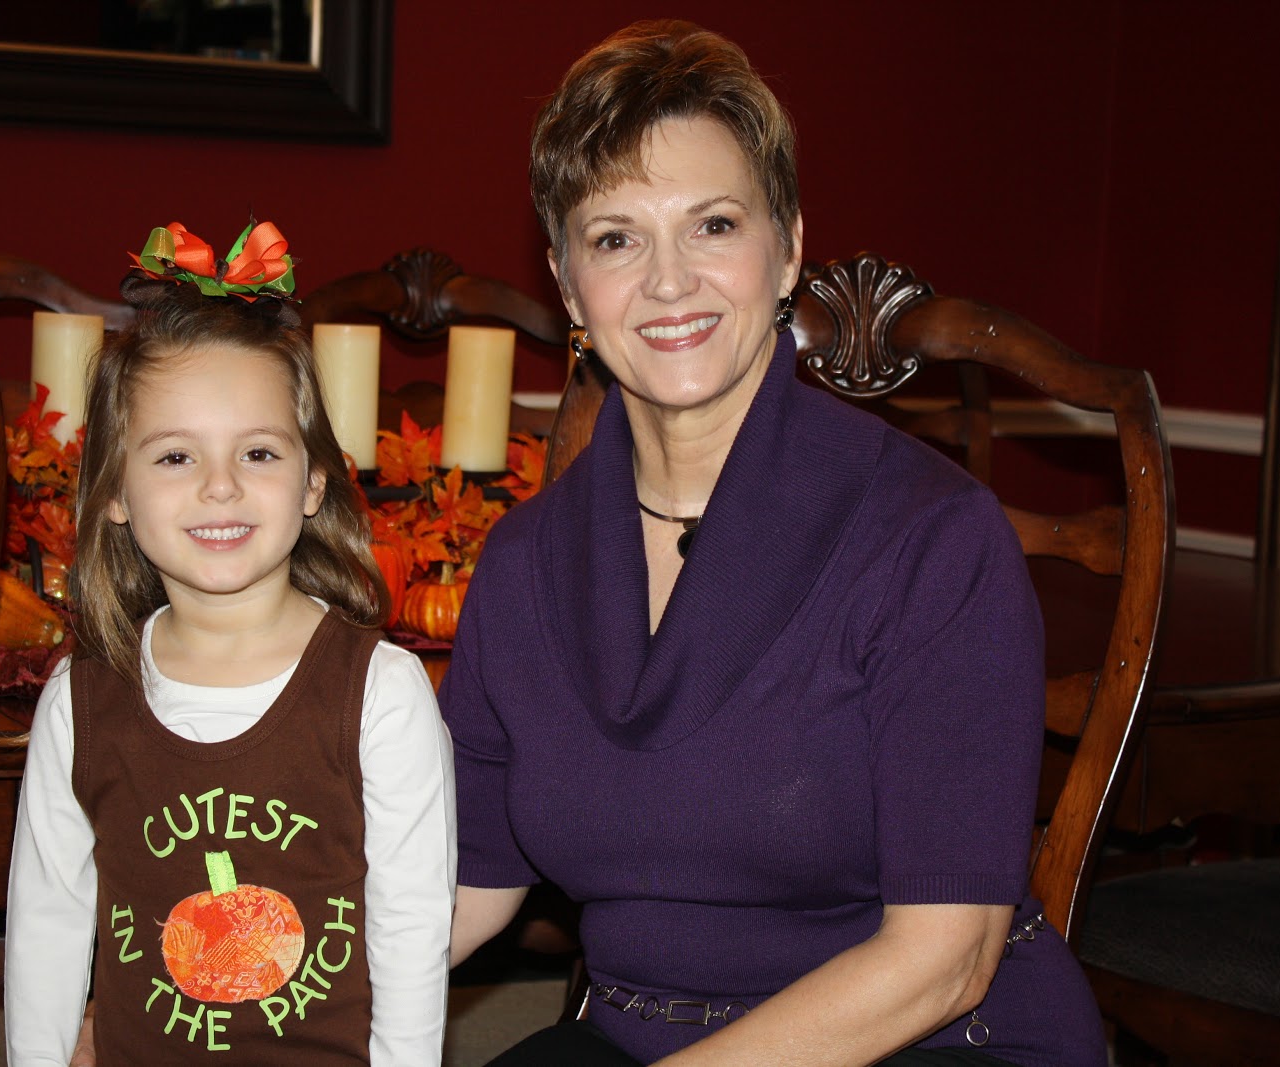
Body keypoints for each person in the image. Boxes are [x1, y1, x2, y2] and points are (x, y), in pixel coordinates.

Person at [442, 21, 1105, 1067]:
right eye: (615, 239)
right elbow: (466, 884)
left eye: (712, 224)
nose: (668, 281)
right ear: (569, 286)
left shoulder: (932, 537)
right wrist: (244, 997)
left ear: (788, 246)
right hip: (637, 1034)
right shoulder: (523, 563)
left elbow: (945, 956)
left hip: (927, 1039)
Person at [4, 229, 456, 1066]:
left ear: (313, 481)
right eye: (176, 455)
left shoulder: (382, 692)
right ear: (115, 492)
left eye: (258, 451)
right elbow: (48, 920)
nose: (221, 485)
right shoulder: (81, 698)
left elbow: (411, 930)